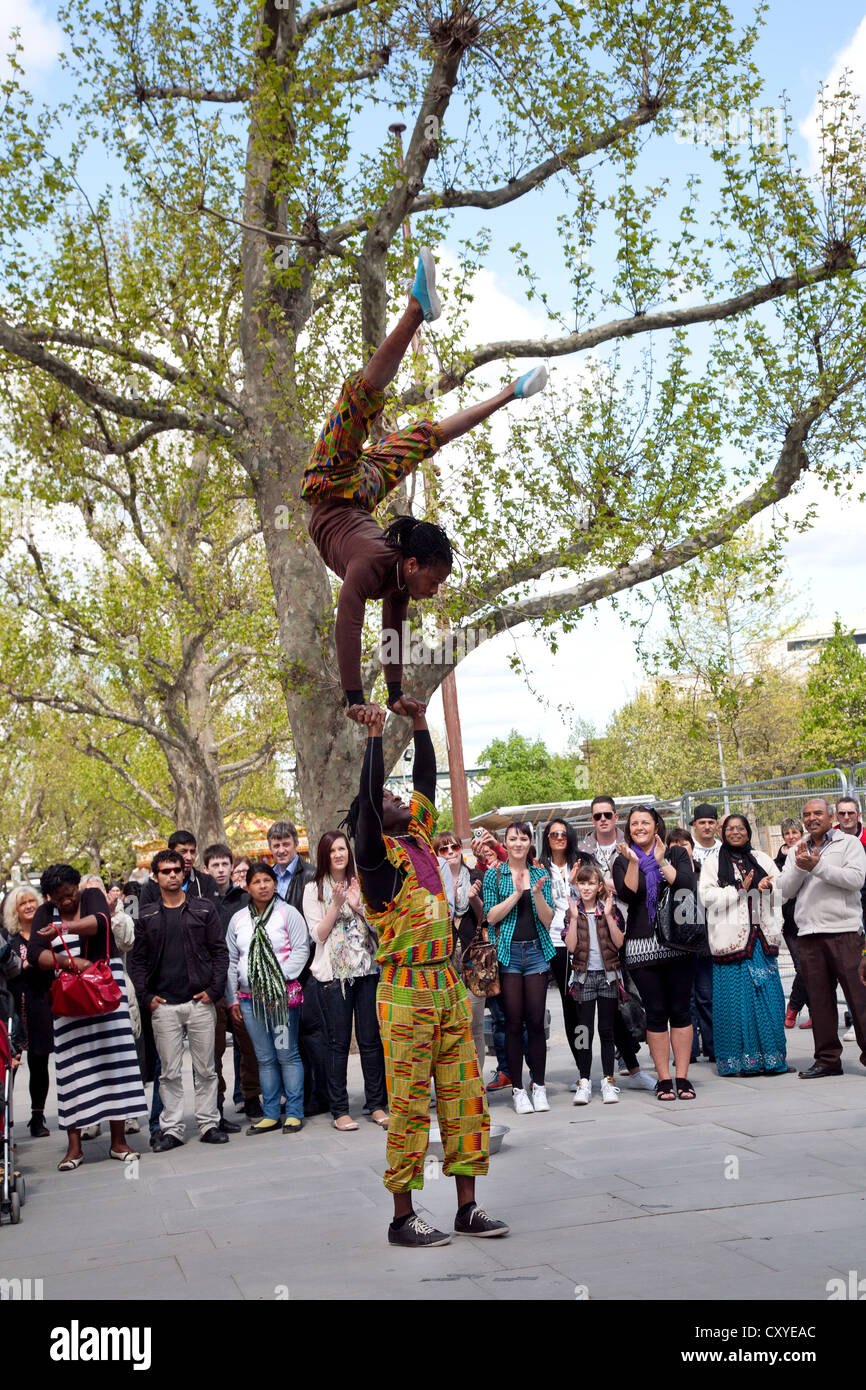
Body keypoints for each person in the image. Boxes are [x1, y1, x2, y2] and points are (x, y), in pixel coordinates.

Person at [300, 246, 547, 723]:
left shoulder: (398, 581)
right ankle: (416, 311)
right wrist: (354, 699)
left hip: (360, 492)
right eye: (433, 581)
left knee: (424, 438)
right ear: (412, 564)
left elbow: (391, 631)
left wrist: (395, 695)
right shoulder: (373, 563)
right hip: (334, 485)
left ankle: (509, 393)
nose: (434, 591)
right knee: (361, 401)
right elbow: (347, 623)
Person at [348, 703, 507, 1247]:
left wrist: (417, 723)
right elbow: (370, 806)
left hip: (447, 984)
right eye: (388, 798)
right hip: (405, 988)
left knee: (464, 1095)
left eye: (399, 797)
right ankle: (401, 1217)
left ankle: (467, 1206)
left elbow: (424, 779)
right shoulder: (374, 858)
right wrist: (373, 736)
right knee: (412, 1101)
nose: (397, 797)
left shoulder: (417, 838)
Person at [28, 865, 146, 1170]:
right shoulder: (44, 912)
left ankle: (118, 1141)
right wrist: (72, 963)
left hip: (106, 990)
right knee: (72, 1070)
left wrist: (63, 930)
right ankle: (74, 1147)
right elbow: (34, 954)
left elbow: (100, 924)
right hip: (69, 997)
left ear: (76, 887)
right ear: (49, 896)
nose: (65, 902)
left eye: (69, 894)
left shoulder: (92, 895)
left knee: (115, 1063)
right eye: (58, 898)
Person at [128, 848, 229, 1150]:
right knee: (169, 1072)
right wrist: (147, 997)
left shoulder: (204, 908)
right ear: (155, 876)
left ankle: (209, 1123)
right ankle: (171, 1128)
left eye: (176, 870)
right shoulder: (145, 915)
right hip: (164, 1006)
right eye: (165, 871)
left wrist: (213, 991)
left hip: (200, 1003)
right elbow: (137, 961)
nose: (172, 875)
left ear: (184, 873)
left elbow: (220, 953)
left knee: (206, 1069)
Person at [303, 831, 388, 1130]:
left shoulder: (362, 882)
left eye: (342, 848)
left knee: (370, 1041)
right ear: (324, 855)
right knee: (337, 1044)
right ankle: (339, 1110)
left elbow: (380, 929)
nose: (338, 854)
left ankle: (376, 1104)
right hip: (333, 977)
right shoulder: (313, 888)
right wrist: (336, 905)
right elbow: (318, 935)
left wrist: (358, 906)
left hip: (366, 970)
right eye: (332, 850)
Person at [612, 806, 697, 1102]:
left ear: (656, 825)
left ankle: (683, 1076)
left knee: (681, 1010)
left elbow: (685, 885)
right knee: (656, 1013)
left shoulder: (676, 854)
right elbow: (627, 894)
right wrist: (636, 862)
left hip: (677, 944)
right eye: (634, 823)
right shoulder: (623, 858)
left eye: (645, 822)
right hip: (641, 946)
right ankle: (663, 1079)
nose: (639, 827)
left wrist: (660, 861)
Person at [779, 798, 866, 1079]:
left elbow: (855, 879)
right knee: (819, 1001)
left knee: (859, 997)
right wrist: (801, 865)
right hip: (809, 935)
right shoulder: (799, 848)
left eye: (818, 813)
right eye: (806, 814)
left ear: (831, 817)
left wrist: (817, 866)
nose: (812, 818)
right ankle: (827, 1060)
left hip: (844, 932)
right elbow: (785, 890)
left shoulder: (849, 843)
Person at [698, 815, 787, 1077]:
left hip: (761, 943)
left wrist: (767, 885)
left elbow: (780, 889)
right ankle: (738, 1062)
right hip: (731, 944)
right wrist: (738, 888)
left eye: (740, 828)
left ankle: (772, 1060)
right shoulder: (714, 862)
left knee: (769, 999)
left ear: (748, 832)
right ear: (723, 833)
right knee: (734, 1004)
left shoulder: (762, 858)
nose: (735, 832)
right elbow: (706, 896)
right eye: (730, 829)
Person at [226, 862, 309, 1135]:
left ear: (274, 883)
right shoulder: (238, 919)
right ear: (247, 887)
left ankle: (294, 1112)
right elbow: (231, 959)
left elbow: (300, 950)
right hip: (250, 1000)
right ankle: (271, 1113)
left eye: (267, 880)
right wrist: (232, 998)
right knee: (264, 1057)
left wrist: (275, 978)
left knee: (287, 1053)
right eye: (256, 881)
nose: (262, 886)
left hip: (280, 998)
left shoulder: (288, 914)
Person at [580, 799, 655, 1092]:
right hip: (586, 935)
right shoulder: (583, 850)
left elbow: (634, 886)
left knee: (628, 1002)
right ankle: (585, 1074)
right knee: (584, 1016)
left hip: (626, 928)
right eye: (597, 815)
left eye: (607, 815)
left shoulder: (631, 841)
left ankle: (632, 1063)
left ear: (615, 816)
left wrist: (607, 884)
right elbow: (585, 885)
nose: (602, 819)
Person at [483, 821, 555, 1116]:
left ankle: (538, 1086)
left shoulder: (540, 874)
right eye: (513, 839)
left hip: (537, 952)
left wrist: (535, 892)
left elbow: (548, 919)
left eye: (523, 839)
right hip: (508, 955)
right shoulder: (494, 875)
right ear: (506, 842)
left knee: (536, 1022)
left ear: (529, 843)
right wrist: (515, 894)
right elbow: (490, 916)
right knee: (512, 1023)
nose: (518, 843)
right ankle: (517, 1089)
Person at [269, 820, 330, 1119]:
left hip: (308, 967)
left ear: (296, 844)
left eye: (285, 844)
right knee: (288, 1035)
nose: (281, 850)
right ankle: (299, 1093)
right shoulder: (266, 877)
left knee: (312, 1032)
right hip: (278, 967)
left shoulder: (309, 875)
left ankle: (323, 1093)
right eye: (276, 845)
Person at [202, 843, 261, 1122]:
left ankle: (250, 1097)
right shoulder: (201, 901)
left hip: (241, 981)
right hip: (213, 985)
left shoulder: (243, 899)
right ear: (206, 869)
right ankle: (216, 1105)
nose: (221, 869)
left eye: (225, 864)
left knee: (248, 1044)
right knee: (213, 1050)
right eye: (215, 865)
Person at [565, 863, 626, 1105]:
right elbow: (570, 946)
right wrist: (571, 918)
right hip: (583, 978)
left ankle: (608, 1081)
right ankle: (584, 1081)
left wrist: (610, 916)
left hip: (608, 975)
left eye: (591, 883)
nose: (587, 887)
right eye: (582, 883)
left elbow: (619, 942)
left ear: (599, 885)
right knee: (583, 1031)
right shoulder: (573, 910)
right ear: (577, 886)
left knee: (606, 1031)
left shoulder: (610, 909)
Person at [434, 832, 486, 1073]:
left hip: (473, 963)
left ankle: (477, 1083)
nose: (451, 851)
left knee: (474, 1026)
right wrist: (447, 899)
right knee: (444, 1029)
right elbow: (432, 923)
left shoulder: (475, 877)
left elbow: (485, 920)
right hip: (443, 967)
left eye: (454, 846)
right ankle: (451, 1084)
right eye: (443, 849)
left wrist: (473, 898)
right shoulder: (432, 886)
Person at [3, 884, 52, 1137]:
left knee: (40, 1062)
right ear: (15, 910)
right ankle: (4, 1118)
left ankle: (37, 1117)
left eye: (31, 901)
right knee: (11, 1065)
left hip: (43, 1004)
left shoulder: (46, 934)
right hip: (17, 1008)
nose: (29, 906)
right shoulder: (9, 940)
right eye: (22, 903)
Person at [689, 803, 720, 1067]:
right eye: (702, 822)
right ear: (694, 825)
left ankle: (712, 1045)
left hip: (717, 928)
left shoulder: (723, 850)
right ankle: (688, 1050)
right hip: (688, 929)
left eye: (711, 822)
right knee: (688, 996)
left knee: (707, 993)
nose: (707, 826)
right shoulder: (688, 850)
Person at [775, 819, 811, 1029]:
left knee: (812, 968)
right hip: (789, 922)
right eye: (787, 833)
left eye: (794, 832)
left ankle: (798, 1008)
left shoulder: (809, 853)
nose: (791, 836)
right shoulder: (777, 861)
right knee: (802, 967)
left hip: (809, 917)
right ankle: (793, 1009)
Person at [139, 829, 220, 908]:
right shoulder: (150, 887)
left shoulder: (206, 882)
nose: (189, 857)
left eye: (192, 852)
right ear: (170, 852)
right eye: (183, 851)